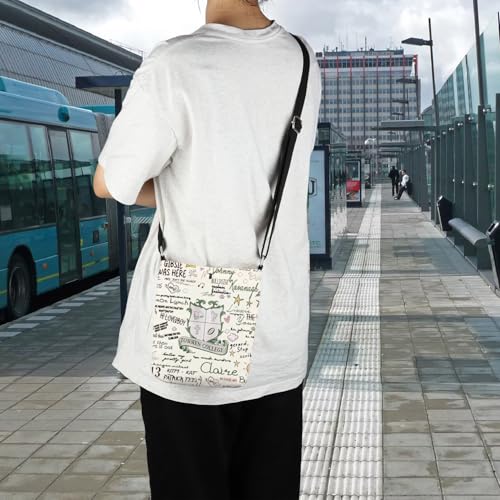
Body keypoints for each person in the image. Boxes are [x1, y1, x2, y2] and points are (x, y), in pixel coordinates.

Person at [92, 0, 321, 499]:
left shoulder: (175, 64)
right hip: (276, 336)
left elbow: (111, 182)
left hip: (187, 334)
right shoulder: (303, 60)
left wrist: (177, 184)